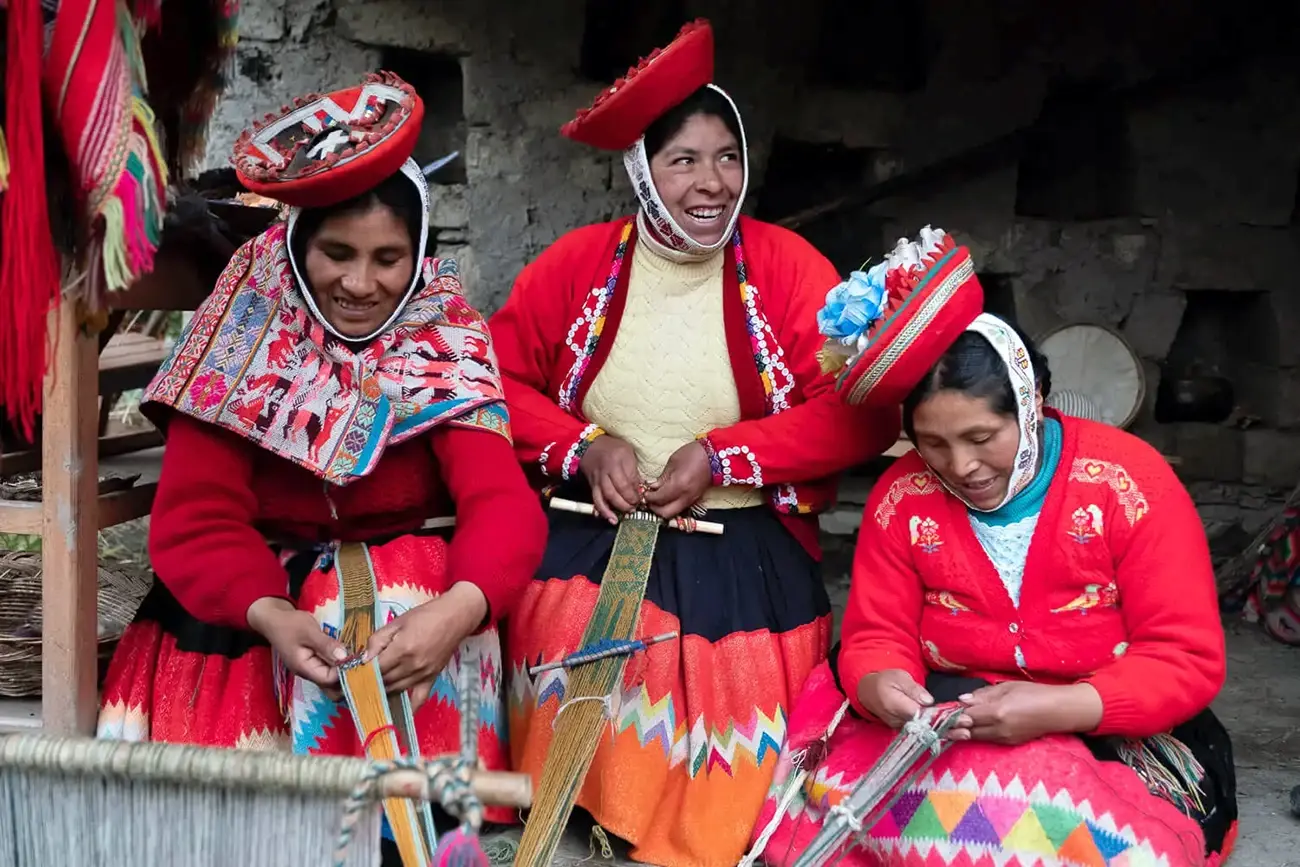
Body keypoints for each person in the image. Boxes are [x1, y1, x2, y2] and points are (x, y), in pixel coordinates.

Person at [95, 72, 547, 860]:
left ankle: (409, 829)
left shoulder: (442, 331)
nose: (360, 284)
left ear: (419, 255)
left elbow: (500, 502)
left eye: (388, 258)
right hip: (251, 594)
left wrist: (459, 609)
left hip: (406, 580)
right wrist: (268, 613)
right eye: (336, 252)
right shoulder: (243, 326)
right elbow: (196, 517)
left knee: (405, 601)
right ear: (298, 243)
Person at [488, 19, 900, 867]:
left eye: (726, 157)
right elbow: (494, 382)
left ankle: (669, 818)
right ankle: (597, 801)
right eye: (683, 161)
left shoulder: (786, 268)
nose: (711, 182)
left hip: (740, 535)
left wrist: (724, 457)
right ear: (642, 171)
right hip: (593, 519)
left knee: (722, 679)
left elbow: (858, 409)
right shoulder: (578, 265)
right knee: (563, 622)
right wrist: (584, 445)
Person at [746, 227, 1239, 867]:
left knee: (1058, 827)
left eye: (983, 436)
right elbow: (875, 633)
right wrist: (879, 683)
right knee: (827, 805)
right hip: (946, 716)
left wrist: (1062, 706)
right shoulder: (903, 498)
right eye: (934, 443)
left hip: (1103, 728)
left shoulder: (1128, 483)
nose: (962, 465)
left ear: (1031, 404)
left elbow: (1186, 657)